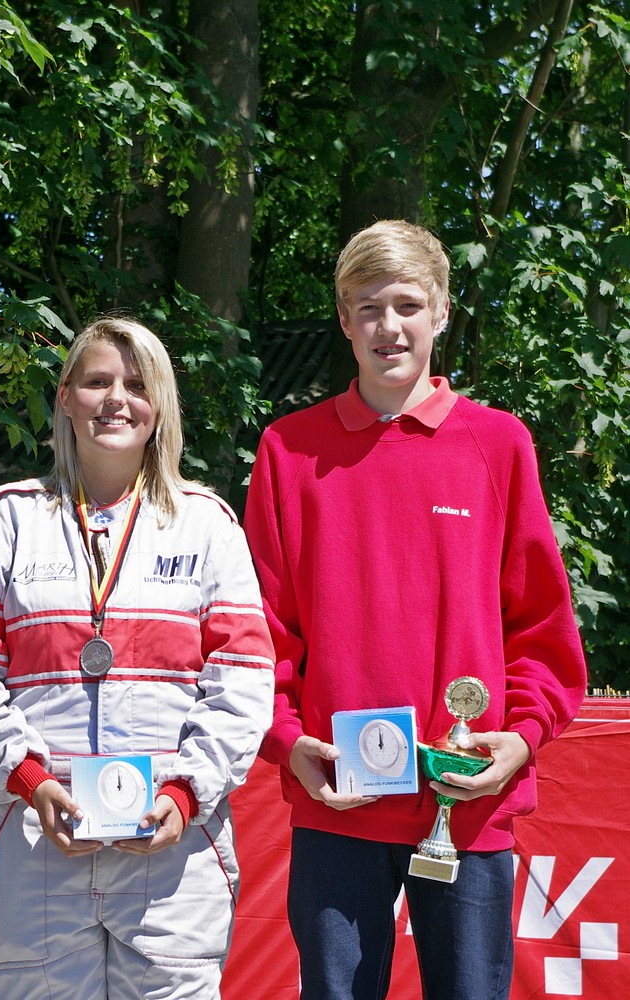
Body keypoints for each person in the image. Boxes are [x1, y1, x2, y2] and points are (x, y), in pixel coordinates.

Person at [243, 219, 587, 1000]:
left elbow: (539, 627)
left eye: (406, 305)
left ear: (440, 312)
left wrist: (521, 739)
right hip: (340, 804)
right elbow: (262, 633)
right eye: (367, 307)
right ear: (342, 320)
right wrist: (289, 740)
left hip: (465, 804)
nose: (387, 327)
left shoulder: (498, 445)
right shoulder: (289, 451)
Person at [0, 315, 275, 1000]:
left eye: (137, 384)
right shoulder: (2, 519)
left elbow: (241, 684)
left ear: (160, 406)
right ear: (65, 398)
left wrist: (185, 791)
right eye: (97, 381)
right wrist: (30, 780)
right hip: (33, 843)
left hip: (172, 851)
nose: (117, 398)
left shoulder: (208, 524)